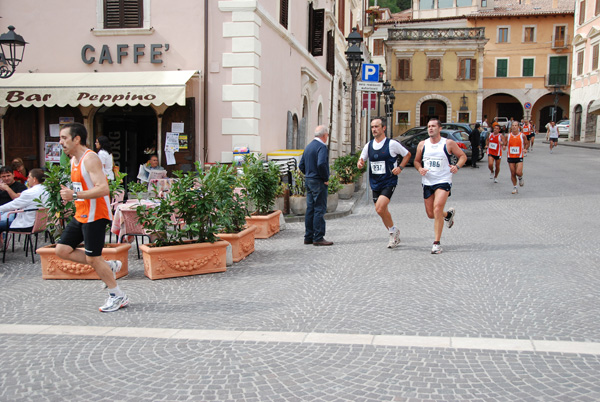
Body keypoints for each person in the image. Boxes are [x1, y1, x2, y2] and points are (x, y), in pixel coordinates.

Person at [56, 122, 127, 313]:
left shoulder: (90, 158)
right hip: (81, 214)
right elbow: (81, 188)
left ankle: (117, 295)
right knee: (62, 249)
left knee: (93, 258)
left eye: (64, 138)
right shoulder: (73, 161)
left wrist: (75, 195)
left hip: (96, 215)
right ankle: (109, 266)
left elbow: (103, 188)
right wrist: (70, 198)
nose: (61, 142)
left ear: (76, 138)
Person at [414, 118, 467, 254]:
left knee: (437, 208)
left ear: (440, 128)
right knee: (431, 214)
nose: (430, 128)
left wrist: (457, 166)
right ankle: (448, 214)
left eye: (433, 126)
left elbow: (462, 156)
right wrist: (420, 169)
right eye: (428, 126)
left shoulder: (448, 143)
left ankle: (436, 243)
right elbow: (416, 161)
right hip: (428, 181)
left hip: (443, 180)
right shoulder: (422, 144)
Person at [357, 117, 411, 249]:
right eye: (372, 127)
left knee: (380, 208)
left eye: (376, 126)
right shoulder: (368, 145)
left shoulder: (392, 144)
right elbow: (361, 159)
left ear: (383, 128)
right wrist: (360, 163)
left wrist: (400, 167)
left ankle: (392, 234)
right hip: (375, 182)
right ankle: (394, 232)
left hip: (389, 181)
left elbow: (407, 154)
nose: (374, 129)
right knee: (382, 211)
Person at [299, 125, 332, 246]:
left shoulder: (309, 146)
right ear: (324, 135)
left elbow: (301, 165)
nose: (327, 137)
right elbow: (322, 163)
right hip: (318, 181)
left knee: (310, 209)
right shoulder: (322, 147)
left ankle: (308, 236)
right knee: (319, 208)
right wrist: (325, 178)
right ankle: (318, 237)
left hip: (309, 179)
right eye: (327, 135)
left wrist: (308, 174)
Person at [0, 168, 48, 233]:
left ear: (34, 179)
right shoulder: (47, 190)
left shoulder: (29, 192)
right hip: (43, 224)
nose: (27, 180)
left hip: (28, 224)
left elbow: (14, 204)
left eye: (29, 177)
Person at [504, 121, 529, 194]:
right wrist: (504, 146)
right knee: (513, 173)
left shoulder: (522, 135)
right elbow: (505, 143)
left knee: (518, 172)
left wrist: (525, 149)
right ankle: (515, 187)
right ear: (511, 127)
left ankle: (520, 178)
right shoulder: (508, 136)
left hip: (519, 156)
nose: (514, 127)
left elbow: (527, 143)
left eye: (516, 125)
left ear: (518, 127)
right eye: (513, 125)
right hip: (511, 156)